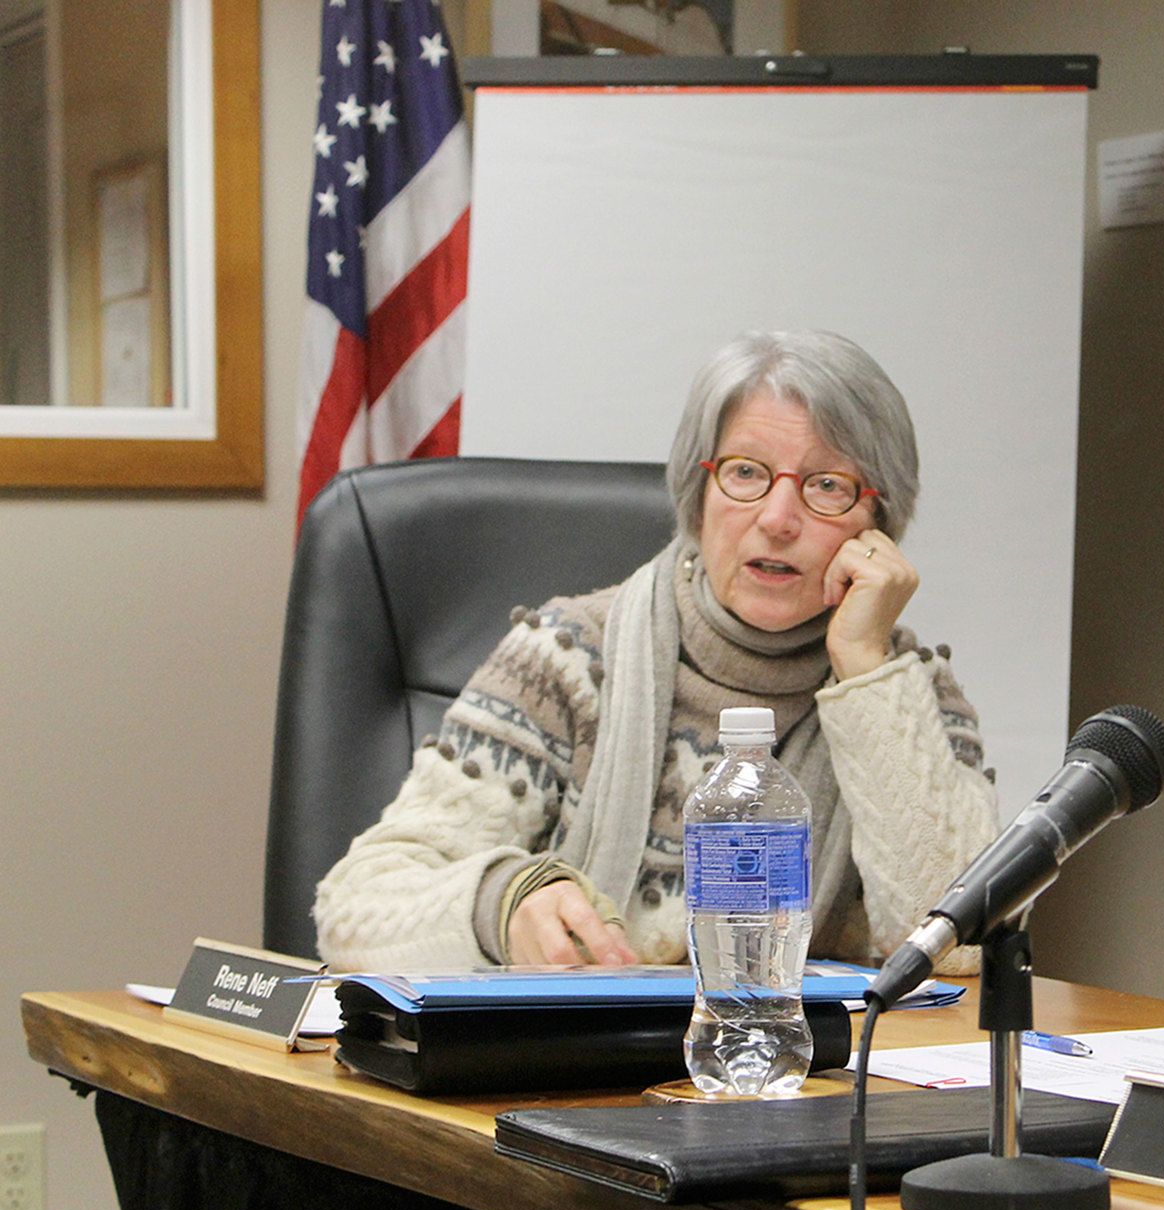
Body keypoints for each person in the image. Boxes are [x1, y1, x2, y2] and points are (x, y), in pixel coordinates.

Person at [314, 330, 997, 975]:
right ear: (699, 498)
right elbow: (353, 907)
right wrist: (502, 902)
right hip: (573, 1076)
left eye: (827, 486)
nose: (779, 518)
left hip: (808, 1075)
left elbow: (957, 946)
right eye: (746, 472)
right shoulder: (570, 657)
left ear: (878, 526)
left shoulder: (909, 692)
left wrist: (865, 670)